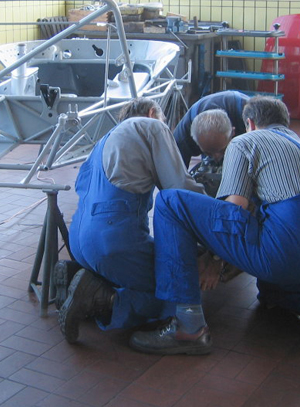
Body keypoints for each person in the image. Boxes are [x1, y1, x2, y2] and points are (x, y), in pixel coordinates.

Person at [130, 96, 300, 355]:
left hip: (285, 258)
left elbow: (233, 211)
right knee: (268, 288)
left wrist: (213, 259)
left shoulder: (246, 141)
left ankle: (188, 325)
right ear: (285, 122)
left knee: (170, 202)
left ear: (250, 124)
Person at [56, 97, 206, 344]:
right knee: (176, 288)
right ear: (152, 113)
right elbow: (179, 190)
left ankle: (80, 278)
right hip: (113, 241)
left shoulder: (103, 143)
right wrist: (215, 205)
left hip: (79, 242)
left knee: (126, 271)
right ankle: (104, 300)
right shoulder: (151, 126)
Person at [173, 90, 250, 167]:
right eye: (208, 153)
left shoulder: (250, 115)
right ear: (194, 139)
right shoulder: (182, 137)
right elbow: (175, 170)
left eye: (222, 150)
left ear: (233, 132)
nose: (217, 158)